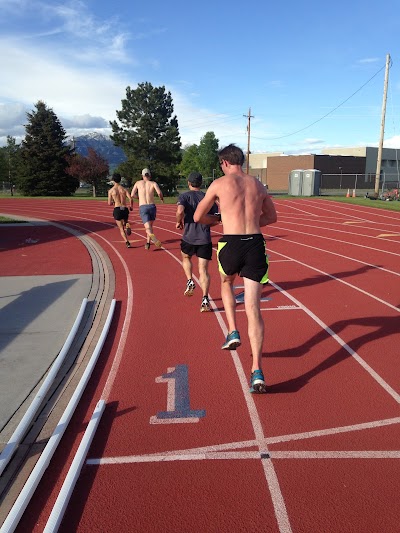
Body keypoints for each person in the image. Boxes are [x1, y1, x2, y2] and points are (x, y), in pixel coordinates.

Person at [193, 144, 277, 393]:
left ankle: (232, 330)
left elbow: (198, 216)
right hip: (254, 243)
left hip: (230, 243)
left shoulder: (219, 184)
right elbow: (272, 217)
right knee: (254, 308)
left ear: (225, 162)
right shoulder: (258, 185)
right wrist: (250, 221)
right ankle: (257, 371)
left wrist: (220, 219)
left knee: (227, 282)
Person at [176, 171, 220, 312]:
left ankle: (189, 280)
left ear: (189, 183)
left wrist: (179, 221)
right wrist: (206, 224)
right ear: (201, 183)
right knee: (203, 270)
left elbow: (179, 211)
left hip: (188, 237)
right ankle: (205, 298)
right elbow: (216, 219)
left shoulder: (184, 196)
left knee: (186, 257)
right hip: (204, 238)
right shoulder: (208, 198)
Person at [131, 168, 164, 250]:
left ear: (142, 175)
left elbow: (132, 195)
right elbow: (159, 193)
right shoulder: (153, 183)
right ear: (150, 175)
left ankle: (153, 238)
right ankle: (148, 242)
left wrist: (139, 198)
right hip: (152, 206)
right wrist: (161, 199)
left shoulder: (138, 183)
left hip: (143, 206)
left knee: (147, 227)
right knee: (150, 226)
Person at [107, 172, 133, 248]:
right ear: (120, 180)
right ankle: (127, 224)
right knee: (125, 221)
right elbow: (131, 199)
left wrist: (113, 201)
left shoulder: (111, 191)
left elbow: (109, 203)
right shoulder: (124, 189)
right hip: (124, 208)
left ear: (113, 180)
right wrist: (131, 207)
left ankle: (127, 242)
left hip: (117, 208)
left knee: (121, 228)